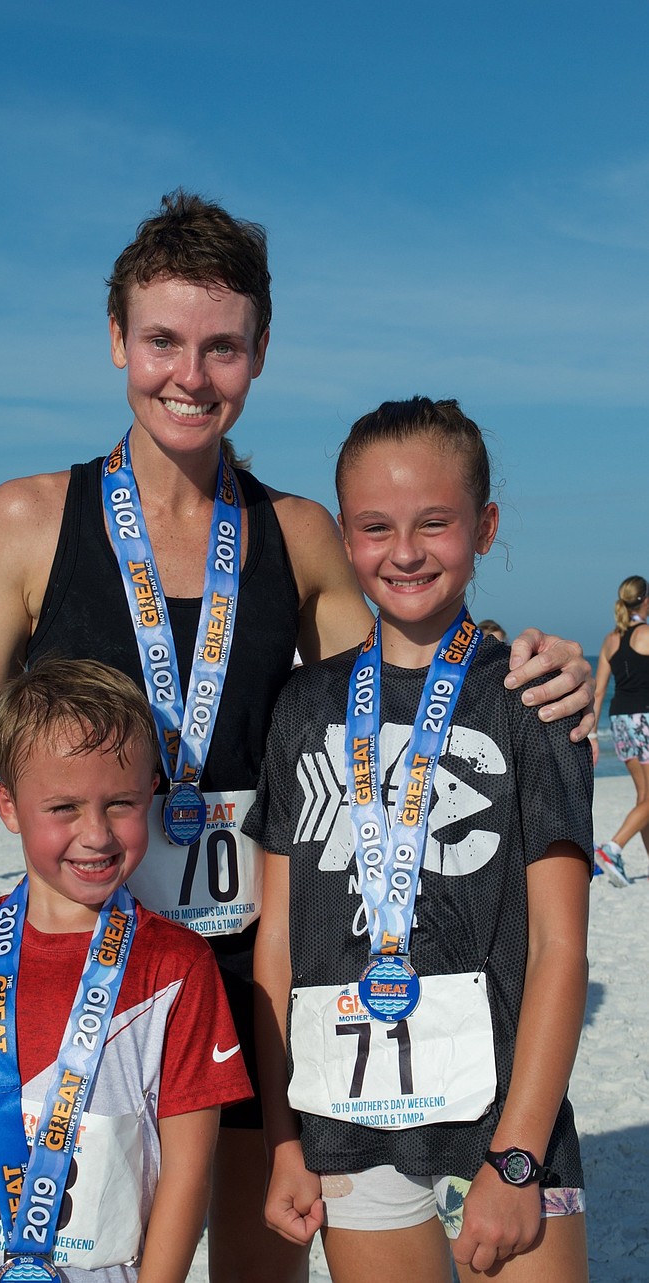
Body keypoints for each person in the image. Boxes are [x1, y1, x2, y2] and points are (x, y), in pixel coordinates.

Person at [0, 192, 594, 1283]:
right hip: (97, 965)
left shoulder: (297, 531)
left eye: (221, 347)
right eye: (162, 340)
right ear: (117, 339)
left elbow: (411, 686)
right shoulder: (29, 520)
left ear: (258, 354)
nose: (189, 374)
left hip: (262, 975)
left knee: (257, 1264)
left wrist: (537, 668)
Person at [249, 397, 592, 1282]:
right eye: (374, 527)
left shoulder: (534, 699)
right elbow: (278, 946)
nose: (404, 551)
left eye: (434, 523)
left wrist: (518, 1155)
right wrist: (285, 1139)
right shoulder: (303, 706)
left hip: (505, 1124)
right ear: (345, 534)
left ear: (483, 527)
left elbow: (560, 946)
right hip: (346, 1126)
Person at [0, 657, 252, 1283]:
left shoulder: (179, 965)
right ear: (6, 807)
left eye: (121, 803)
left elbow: (190, 1170)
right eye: (62, 807)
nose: (96, 834)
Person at [590, 574, 649, 886]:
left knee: (645, 797)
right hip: (646, 720)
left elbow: (598, 692)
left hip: (621, 721)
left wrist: (593, 735)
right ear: (646, 599)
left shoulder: (610, 639)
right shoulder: (646, 634)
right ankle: (613, 847)